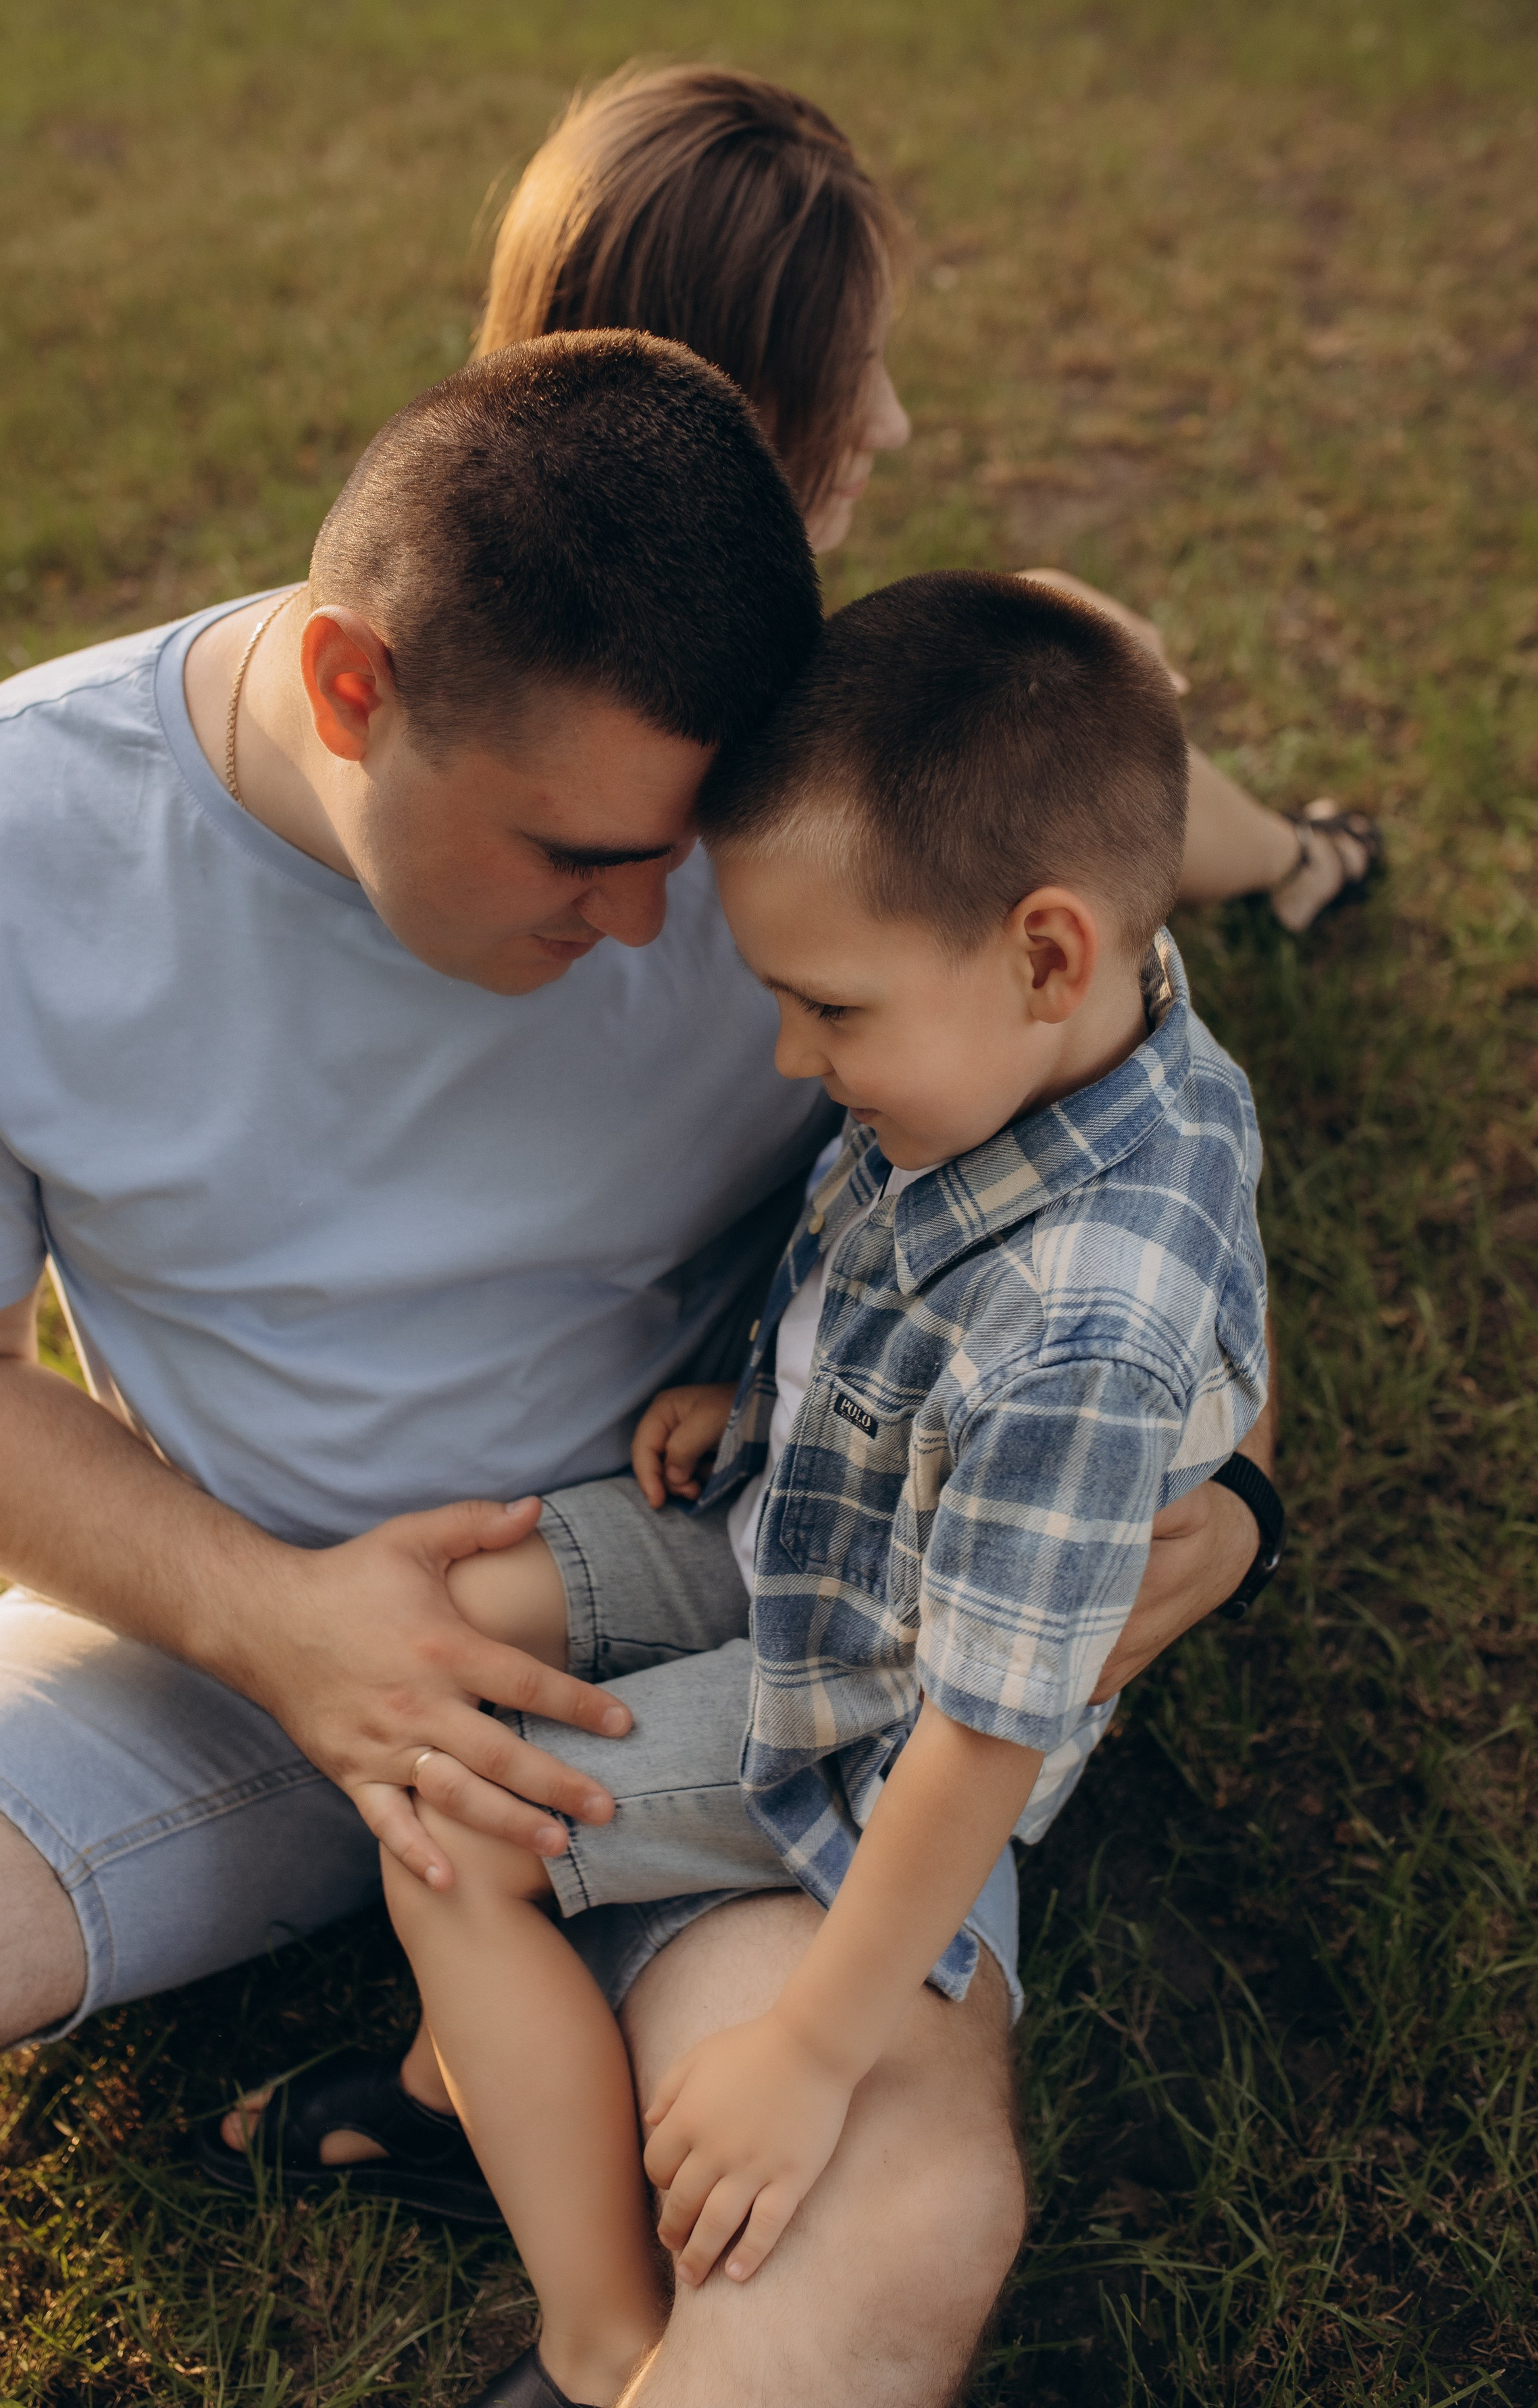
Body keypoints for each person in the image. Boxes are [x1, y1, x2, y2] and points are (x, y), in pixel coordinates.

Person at [0, 330, 1268, 2408]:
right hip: (210, 1642)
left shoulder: (784, 836)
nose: (659, 922)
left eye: (683, 867)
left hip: (762, 1621)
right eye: (582, 859)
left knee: (891, 2239)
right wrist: (282, 1625)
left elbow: (1138, 1151)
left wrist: (1245, 1502)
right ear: (347, 689)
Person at [373, 571, 1271, 2408]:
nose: (793, 1056)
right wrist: (760, 1382)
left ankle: (599, 2322)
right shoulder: (1060, 1050)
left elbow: (979, 1736)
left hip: (860, 1702)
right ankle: (498, 2061)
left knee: (436, 1807)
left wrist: (807, 2045)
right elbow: (881, 1243)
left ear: (1046, 953)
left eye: (827, 1010)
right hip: (795, 1509)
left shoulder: (1090, 1332)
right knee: (427, 1641)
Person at [478, 61, 1379, 934]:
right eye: (848, 378)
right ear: (714, 395)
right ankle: (1299, 861)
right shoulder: (795, 774)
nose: (891, 423)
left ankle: (1291, 858)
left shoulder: (453, 590)